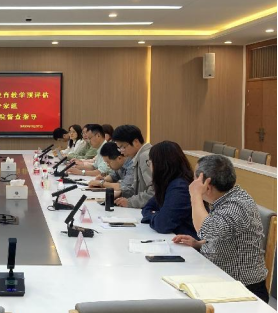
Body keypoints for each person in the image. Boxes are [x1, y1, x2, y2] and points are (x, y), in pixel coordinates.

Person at [173, 154, 268, 300]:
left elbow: (206, 230)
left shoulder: (236, 205)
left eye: (195, 180)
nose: (192, 184)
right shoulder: (227, 197)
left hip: (243, 290)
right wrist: (198, 244)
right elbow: (219, 234)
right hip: (222, 279)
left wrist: (195, 196)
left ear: (207, 187)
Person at [141, 141, 197, 237]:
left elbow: (163, 224)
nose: (149, 166)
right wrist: (157, 215)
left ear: (160, 164)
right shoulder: (169, 183)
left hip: (189, 241)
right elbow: (147, 208)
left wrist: (152, 216)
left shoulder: (180, 187)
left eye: (150, 162)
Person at [112, 124, 154, 208]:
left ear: (135, 142)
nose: (121, 151)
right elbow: (137, 189)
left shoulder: (145, 156)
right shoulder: (138, 156)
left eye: (123, 147)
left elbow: (154, 192)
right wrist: (122, 193)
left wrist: (130, 202)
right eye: (119, 148)